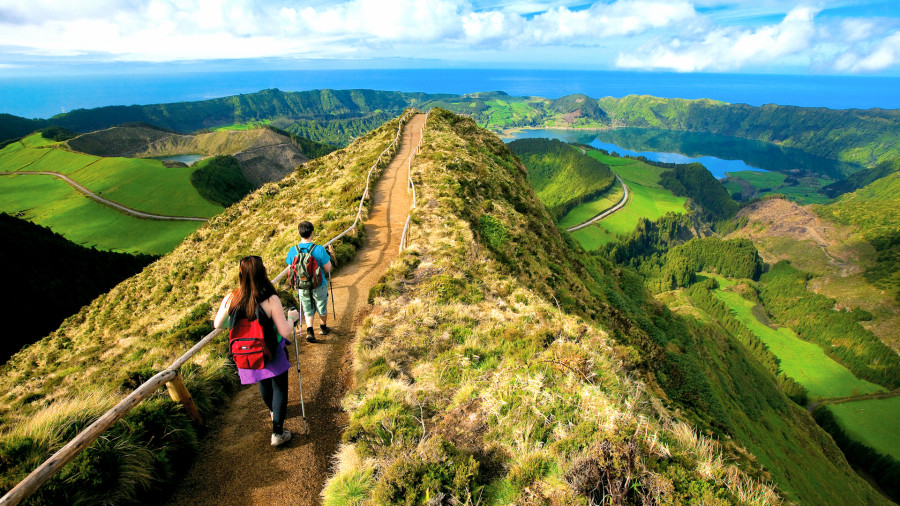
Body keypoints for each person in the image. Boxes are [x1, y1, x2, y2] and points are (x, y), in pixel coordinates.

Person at [214, 255, 300, 447]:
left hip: (248, 352)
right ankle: (278, 432)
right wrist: (292, 318)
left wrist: (240, 324)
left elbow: (217, 324)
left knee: (263, 382)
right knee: (279, 387)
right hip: (271, 350)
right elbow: (285, 331)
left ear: (240, 275)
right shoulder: (270, 299)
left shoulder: (231, 298)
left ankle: (272, 412)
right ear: (263, 273)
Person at [285, 221, 333, 343]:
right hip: (319, 284)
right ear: (312, 232)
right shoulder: (319, 249)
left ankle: (310, 331)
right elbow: (328, 269)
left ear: (299, 233)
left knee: (307, 308)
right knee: (321, 306)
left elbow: (291, 269)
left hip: (302, 285)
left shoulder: (293, 250)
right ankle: (323, 328)